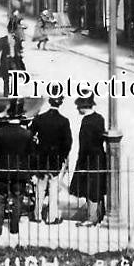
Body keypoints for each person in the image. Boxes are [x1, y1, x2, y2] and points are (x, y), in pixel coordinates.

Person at [0, 116, 34, 235]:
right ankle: (14, 228)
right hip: (19, 172)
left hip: (2, 172)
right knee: (18, 199)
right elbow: (31, 155)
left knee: (0, 199)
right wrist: (29, 173)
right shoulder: (27, 134)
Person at [30, 97, 71, 224]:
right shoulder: (64, 121)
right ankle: (51, 217)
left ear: (50, 102)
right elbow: (68, 142)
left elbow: (29, 136)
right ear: (61, 104)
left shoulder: (39, 118)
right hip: (55, 160)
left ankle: (37, 215)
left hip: (41, 158)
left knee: (40, 187)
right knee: (53, 188)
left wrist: (36, 150)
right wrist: (62, 156)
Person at [69, 95, 107, 226]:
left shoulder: (86, 121)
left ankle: (92, 217)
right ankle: (100, 214)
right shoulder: (99, 118)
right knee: (98, 186)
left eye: (79, 107)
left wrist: (81, 160)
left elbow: (84, 143)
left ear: (83, 107)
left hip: (88, 158)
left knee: (90, 188)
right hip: (99, 156)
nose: (77, 109)